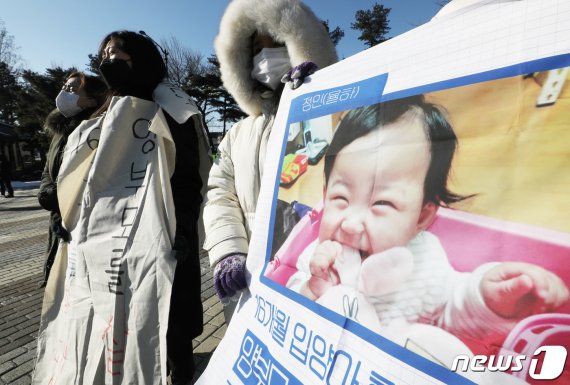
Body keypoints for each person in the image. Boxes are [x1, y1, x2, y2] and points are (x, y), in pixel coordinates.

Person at [287, 95, 569, 339]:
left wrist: (487, 298)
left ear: (421, 218)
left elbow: (452, 309)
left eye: (382, 202)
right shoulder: (318, 261)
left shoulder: (425, 261)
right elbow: (288, 304)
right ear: (324, 195)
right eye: (340, 199)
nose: (350, 223)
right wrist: (312, 290)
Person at [33, 31, 210, 385]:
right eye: (105, 54)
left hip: (163, 241)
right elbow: (79, 176)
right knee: (115, 331)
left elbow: (189, 178)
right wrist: (63, 211)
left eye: (118, 53)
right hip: (109, 253)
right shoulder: (101, 115)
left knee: (169, 333)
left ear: (141, 57)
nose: (108, 60)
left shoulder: (172, 108)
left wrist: (184, 227)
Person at [204, 0, 338, 322]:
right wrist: (228, 249)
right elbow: (218, 194)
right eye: (256, 49)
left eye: (276, 42)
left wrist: (319, 100)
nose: (266, 57)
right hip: (249, 280)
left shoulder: (331, 116)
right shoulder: (236, 134)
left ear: (299, 43)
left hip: (311, 277)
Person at [37, 71, 107, 288]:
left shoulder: (100, 129)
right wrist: (49, 194)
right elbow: (48, 171)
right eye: (65, 87)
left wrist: (65, 199)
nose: (64, 92)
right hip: (58, 221)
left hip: (88, 227)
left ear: (92, 99)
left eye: (73, 88)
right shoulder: (60, 130)